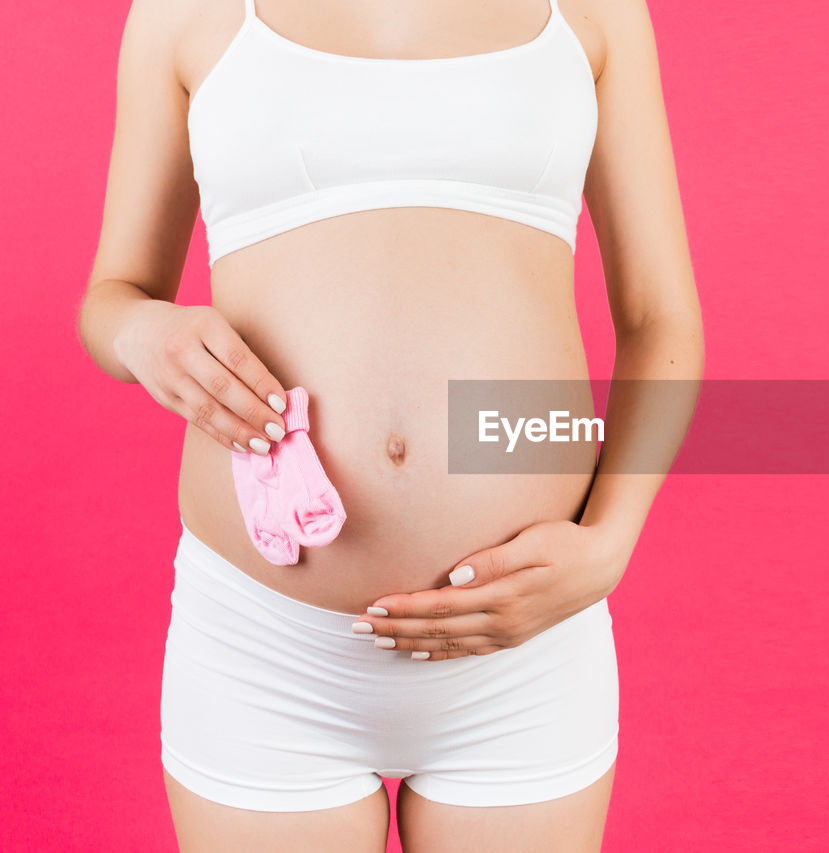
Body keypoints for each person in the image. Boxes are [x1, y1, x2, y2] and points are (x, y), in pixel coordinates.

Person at [75, 0, 704, 848]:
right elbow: (113, 292)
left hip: (522, 648)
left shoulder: (593, 15)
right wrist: (140, 333)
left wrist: (611, 543)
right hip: (265, 649)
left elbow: (661, 315)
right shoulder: (184, 14)